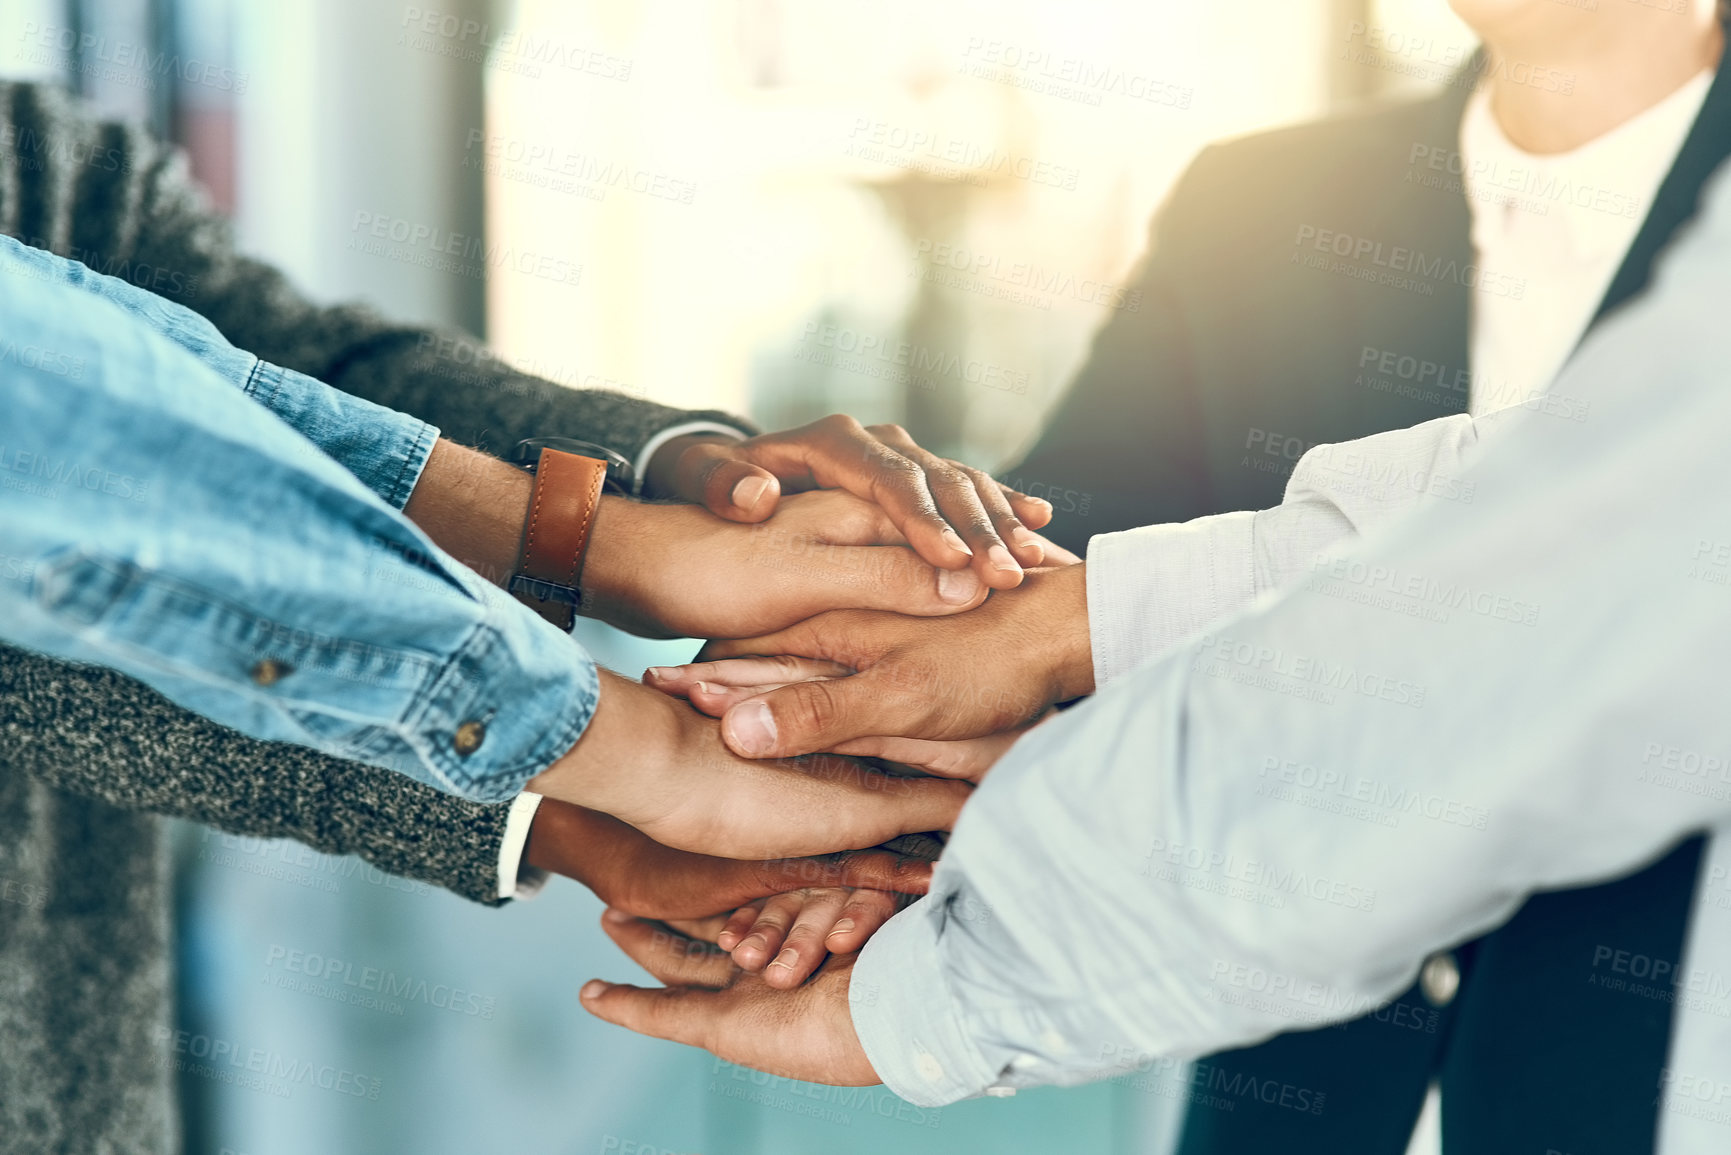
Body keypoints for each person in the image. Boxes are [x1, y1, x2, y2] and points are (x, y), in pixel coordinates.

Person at [582, 150, 1731, 1155]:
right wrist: (1041, 635)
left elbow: (1513, 631)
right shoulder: (1268, 196)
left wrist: (948, 980)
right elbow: (1566, 513)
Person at [0, 79, 1037, 1153]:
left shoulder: (36, 143)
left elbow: (269, 371)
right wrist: (618, 753)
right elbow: (79, 570)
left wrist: (664, 487)